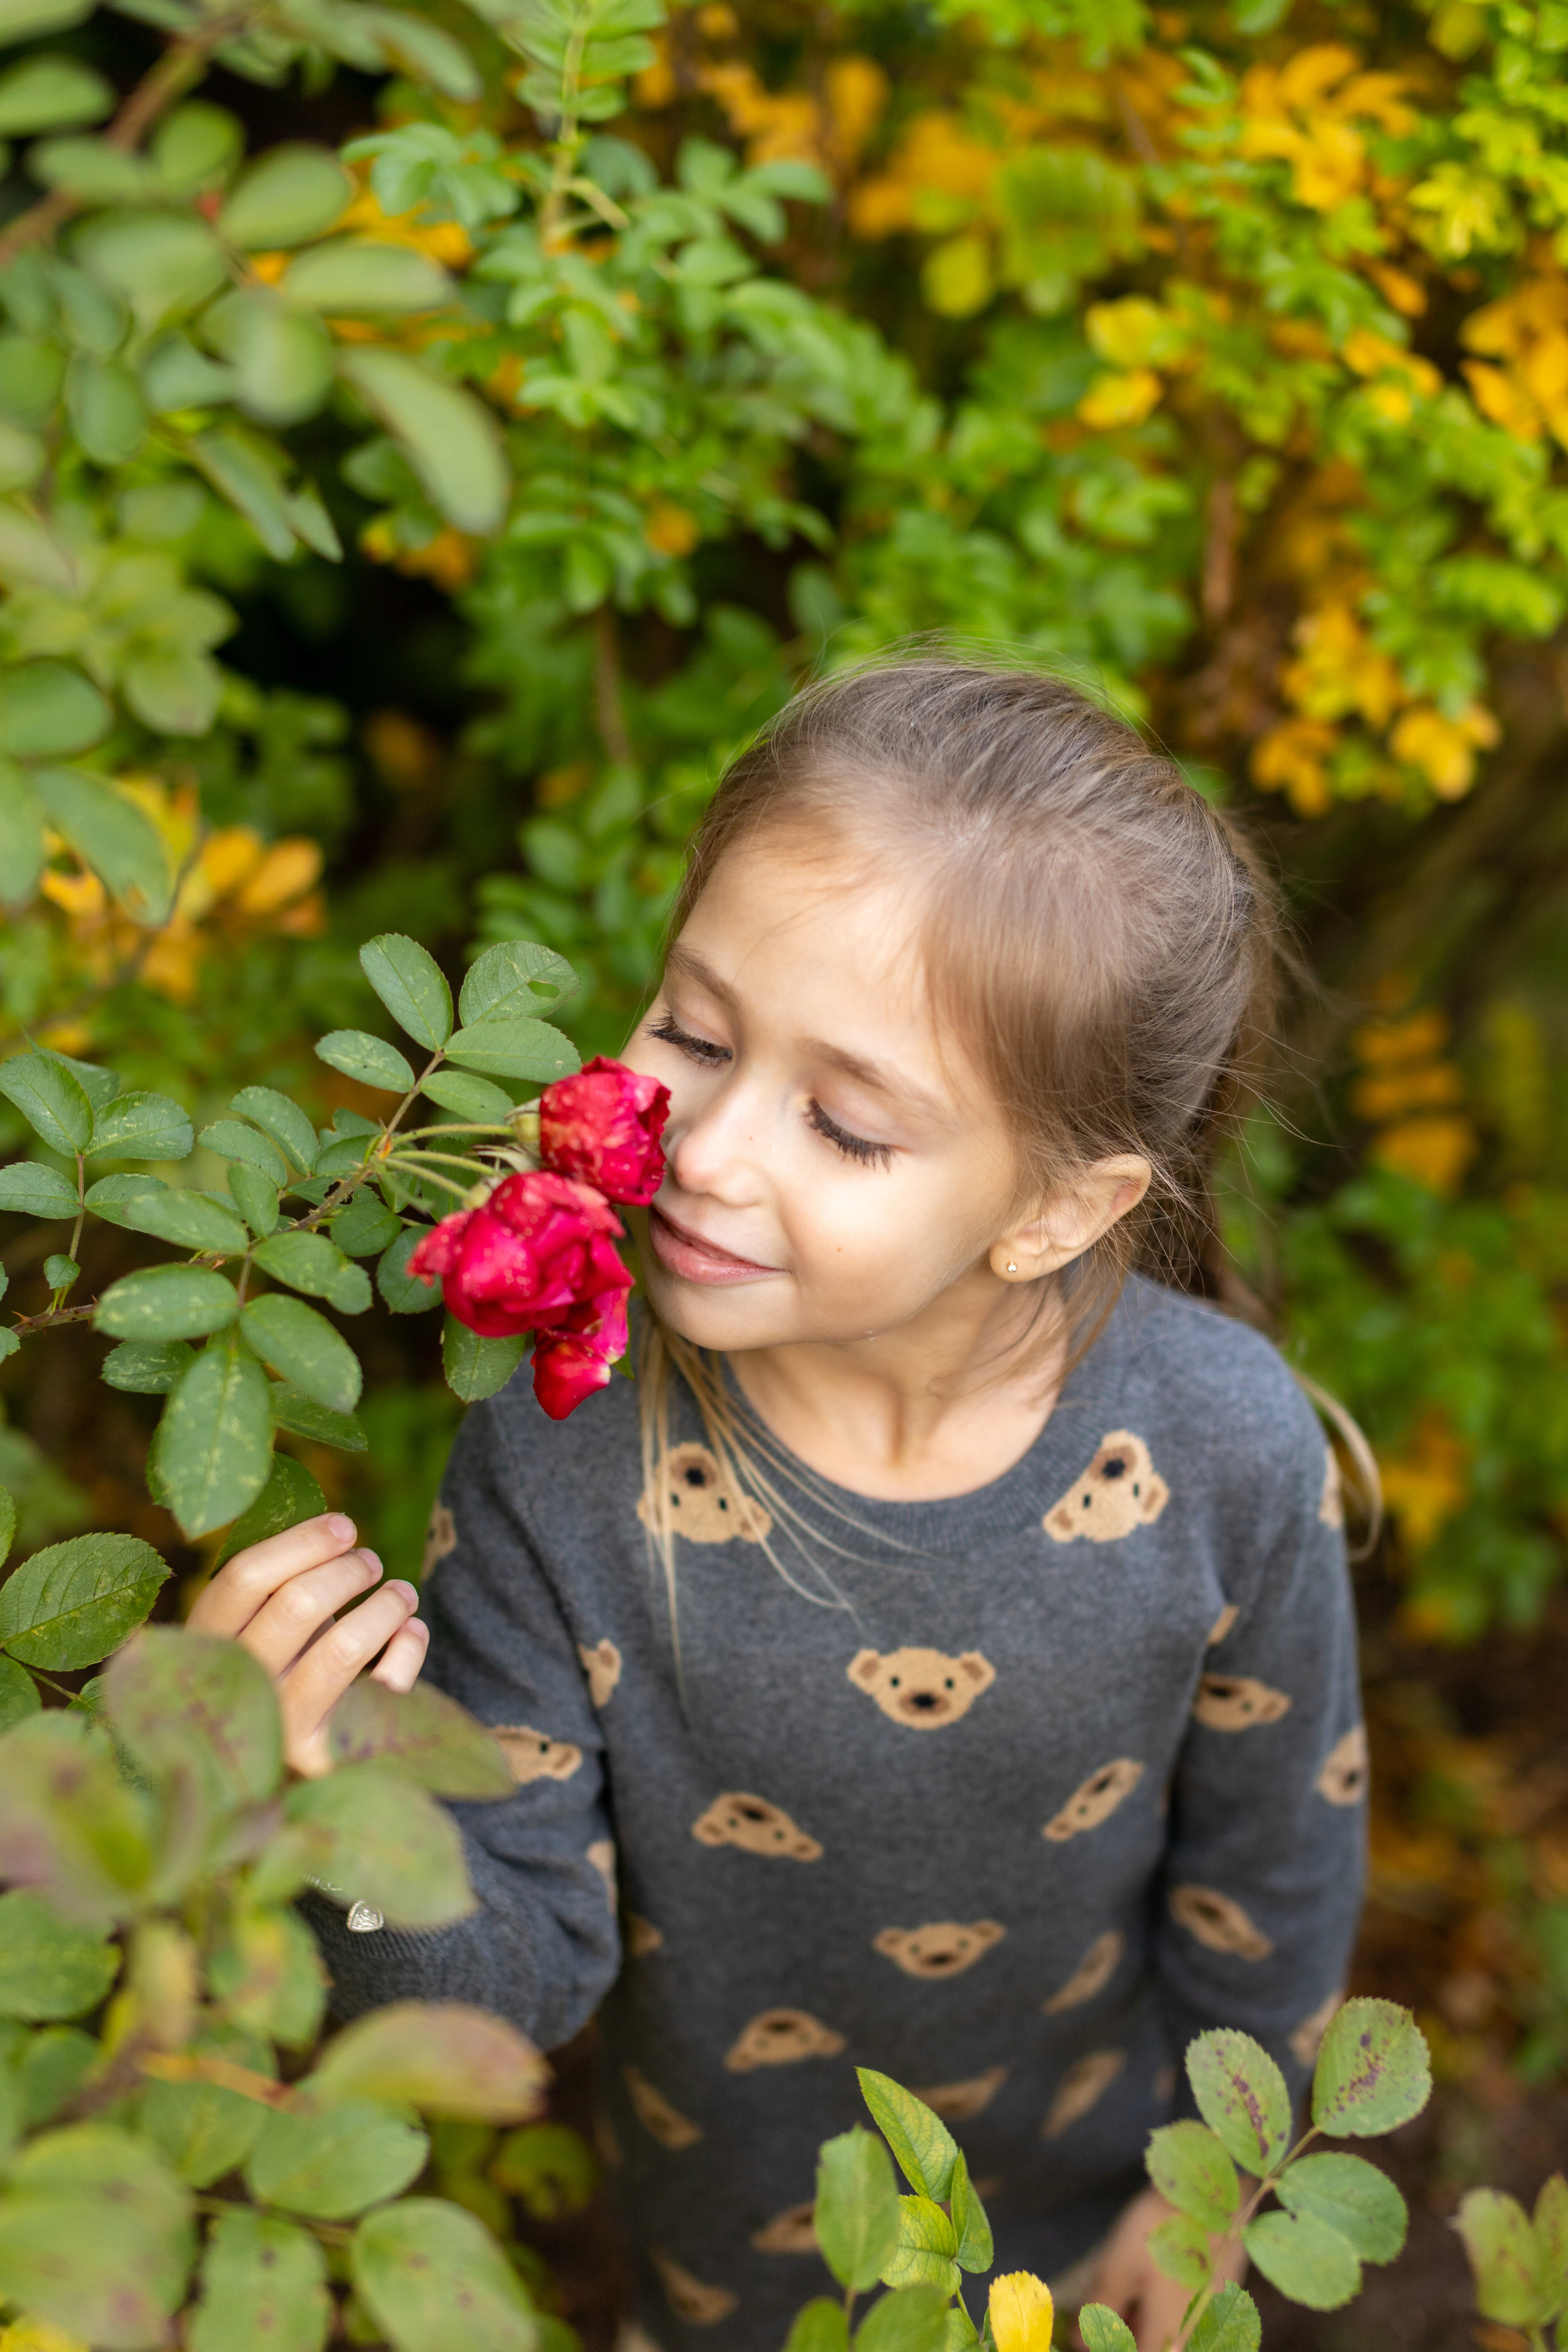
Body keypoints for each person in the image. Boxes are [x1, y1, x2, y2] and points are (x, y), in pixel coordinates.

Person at [191, 661, 1368, 2351]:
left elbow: (1278, 1878)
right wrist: (337, 1812)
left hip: (1122, 2230)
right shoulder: (565, 1457)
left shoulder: (1225, 1449)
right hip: (735, 2265)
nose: (716, 1147)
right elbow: (508, 1997)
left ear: (1052, 1210)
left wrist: (1221, 2209)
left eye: (847, 1123)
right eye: (692, 1030)